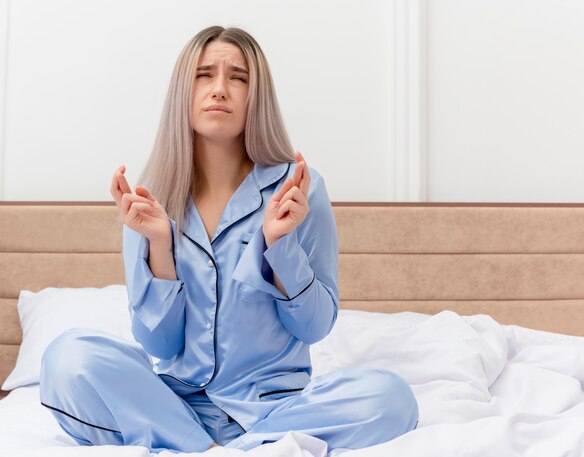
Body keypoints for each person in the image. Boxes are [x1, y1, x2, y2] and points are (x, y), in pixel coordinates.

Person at [39, 25, 419, 452]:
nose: (220, 89)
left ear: (257, 97)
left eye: (238, 77)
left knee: (390, 397)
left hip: (275, 408)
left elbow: (314, 326)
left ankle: (208, 448)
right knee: (66, 358)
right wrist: (160, 245)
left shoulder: (299, 191)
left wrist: (280, 246)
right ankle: (211, 448)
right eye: (204, 75)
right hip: (176, 404)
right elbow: (158, 344)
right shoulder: (150, 199)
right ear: (183, 91)